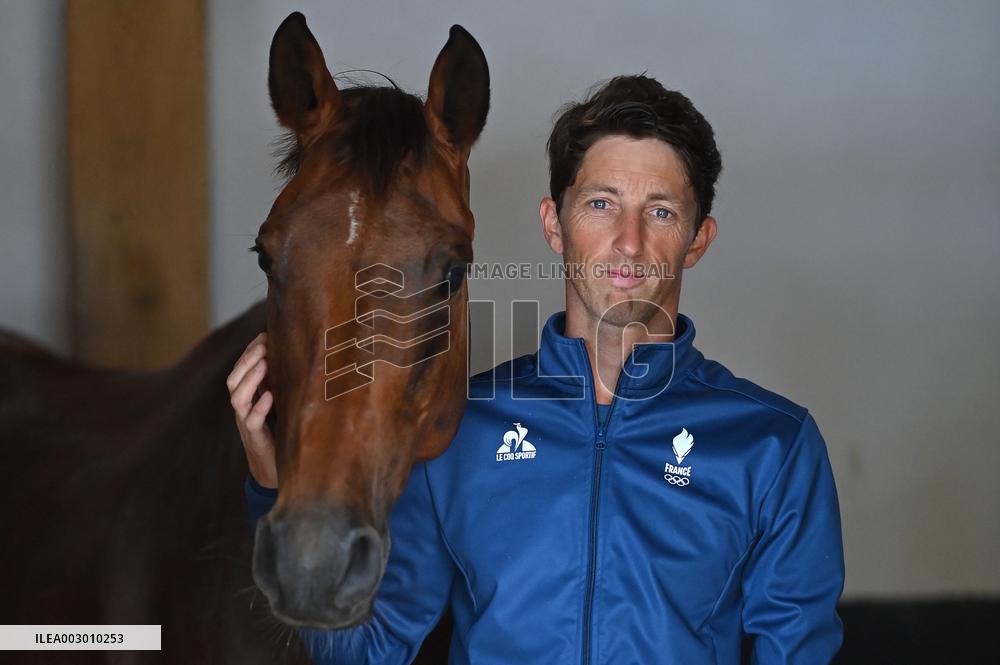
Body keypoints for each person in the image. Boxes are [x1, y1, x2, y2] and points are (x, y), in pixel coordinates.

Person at [228, 74, 845, 664]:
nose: (628, 241)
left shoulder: (773, 447)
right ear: (555, 225)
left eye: (660, 212)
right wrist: (273, 489)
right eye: (602, 204)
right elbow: (362, 654)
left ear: (698, 238)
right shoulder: (458, 432)